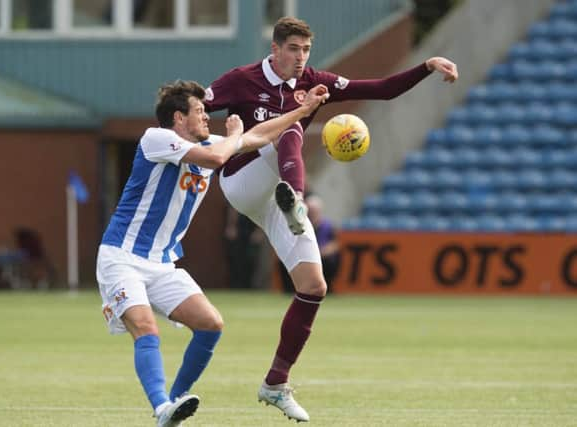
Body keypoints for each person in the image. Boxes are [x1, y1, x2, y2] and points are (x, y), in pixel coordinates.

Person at [204, 16, 458, 422]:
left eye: (306, 50)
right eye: (293, 49)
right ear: (275, 50)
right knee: (291, 128)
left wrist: (426, 66)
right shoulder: (242, 79)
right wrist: (210, 142)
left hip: (277, 202)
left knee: (314, 287)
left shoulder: (314, 81)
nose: (301, 58)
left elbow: (381, 90)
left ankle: (275, 383)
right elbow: (197, 106)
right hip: (243, 179)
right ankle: (297, 200)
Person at [96, 80, 329, 427]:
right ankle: (161, 407)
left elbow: (261, 135)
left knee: (210, 325)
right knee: (146, 329)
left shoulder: (209, 142)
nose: (208, 116)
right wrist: (236, 132)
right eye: (200, 111)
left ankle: (173, 405)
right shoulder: (156, 139)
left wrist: (303, 110)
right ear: (178, 117)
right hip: (121, 257)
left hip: (162, 263)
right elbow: (219, 156)